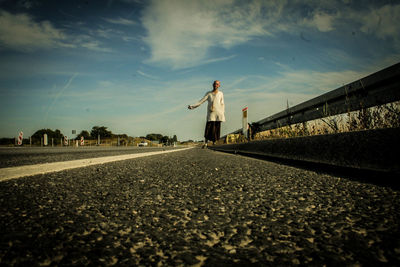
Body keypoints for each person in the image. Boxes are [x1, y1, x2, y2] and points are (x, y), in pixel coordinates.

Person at [188, 80, 225, 148]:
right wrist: (192, 106)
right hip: (211, 114)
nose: (215, 85)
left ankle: (214, 143)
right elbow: (201, 101)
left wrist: (222, 114)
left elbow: (222, 104)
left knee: (216, 128)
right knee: (208, 128)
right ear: (212, 85)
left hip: (218, 114)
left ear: (219, 86)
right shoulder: (209, 93)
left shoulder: (221, 93)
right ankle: (205, 143)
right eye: (214, 84)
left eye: (217, 84)